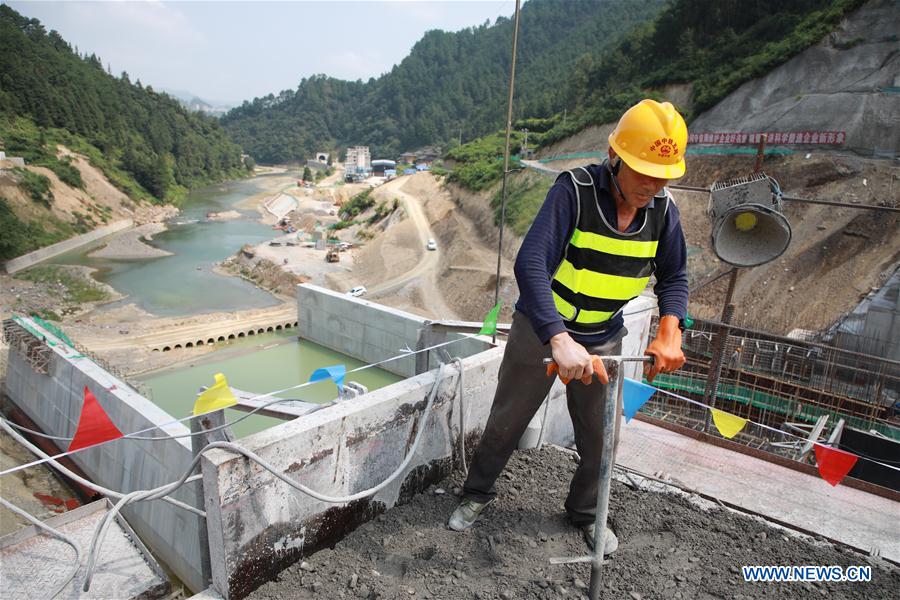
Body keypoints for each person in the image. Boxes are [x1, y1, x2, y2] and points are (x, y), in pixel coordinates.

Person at [448, 99, 689, 556]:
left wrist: (670, 327)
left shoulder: (663, 209)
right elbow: (531, 262)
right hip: (541, 328)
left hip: (604, 335)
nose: (652, 186)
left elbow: (674, 275)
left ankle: (585, 513)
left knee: (602, 436)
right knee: (507, 421)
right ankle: (476, 493)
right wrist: (557, 338)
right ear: (614, 157)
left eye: (662, 176)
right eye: (642, 173)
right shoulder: (574, 192)